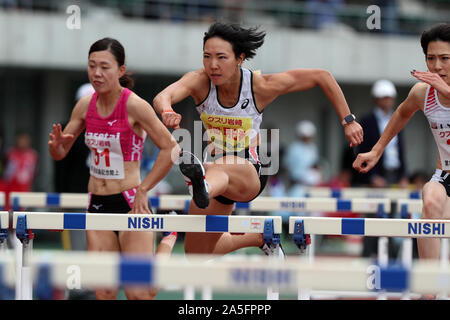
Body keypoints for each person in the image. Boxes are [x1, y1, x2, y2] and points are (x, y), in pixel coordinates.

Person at [153, 22, 363, 258]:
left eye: (221, 57)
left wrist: (348, 121)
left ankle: (201, 183)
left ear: (240, 58)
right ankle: (259, 237)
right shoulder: (199, 81)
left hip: (250, 169)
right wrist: (167, 110)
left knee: (218, 167)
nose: (213, 65)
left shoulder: (259, 86)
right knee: (197, 252)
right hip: (214, 177)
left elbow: (322, 77)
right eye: (207, 56)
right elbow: (164, 95)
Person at [48, 37, 180, 300]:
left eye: (104, 67)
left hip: (131, 201)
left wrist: (144, 189)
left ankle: (168, 239)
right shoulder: (85, 106)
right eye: (91, 66)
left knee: (139, 293)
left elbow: (171, 149)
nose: (97, 73)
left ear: (121, 70)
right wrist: (56, 147)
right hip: (97, 202)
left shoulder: (134, 105)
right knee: (104, 291)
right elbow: (61, 153)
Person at [353, 23, 450, 264]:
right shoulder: (422, 93)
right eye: (431, 58)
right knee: (430, 198)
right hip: (445, 174)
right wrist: (376, 151)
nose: (437, 66)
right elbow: (401, 113)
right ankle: (429, 288)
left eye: (445, 58)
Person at [354, 79, 409, 188]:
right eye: (384, 98)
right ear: (376, 99)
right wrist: (372, 177)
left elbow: (400, 148)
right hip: (376, 175)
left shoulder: (397, 118)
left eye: (390, 98)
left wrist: (403, 175)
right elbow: (362, 149)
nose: (388, 101)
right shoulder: (367, 121)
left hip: (396, 174)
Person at [3, 132, 39, 210]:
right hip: (10, 188)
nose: (22, 142)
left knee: (23, 212)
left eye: (25, 140)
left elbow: (34, 173)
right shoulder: (10, 153)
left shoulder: (33, 155)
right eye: (21, 140)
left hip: (25, 188)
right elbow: (6, 172)